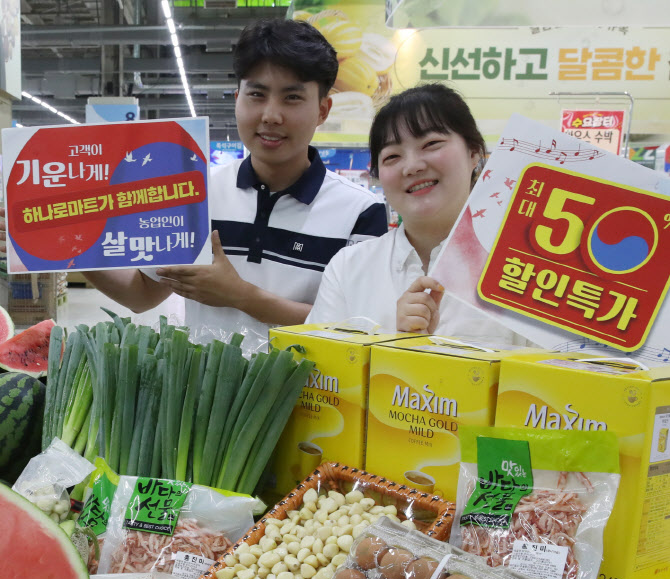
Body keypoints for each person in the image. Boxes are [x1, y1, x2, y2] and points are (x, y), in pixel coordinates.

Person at [0, 19, 387, 339]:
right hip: (202, 410)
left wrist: (240, 296)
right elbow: (142, 294)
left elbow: (360, 330)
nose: (270, 115)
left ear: (322, 110)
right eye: (257, 94)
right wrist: (64, 242)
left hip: (317, 411)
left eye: (291, 97)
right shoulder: (194, 191)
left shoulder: (360, 211)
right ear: (236, 97)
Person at [307, 83, 527, 344]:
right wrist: (395, 344)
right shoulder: (348, 269)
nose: (411, 167)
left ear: (474, 153)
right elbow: (323, 373)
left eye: (431, 143)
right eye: (392, 157)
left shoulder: (527, 272)